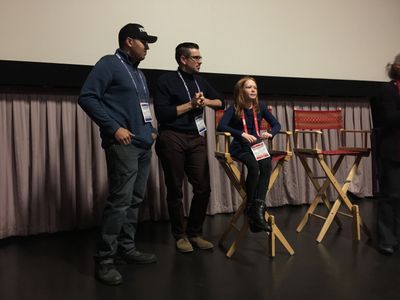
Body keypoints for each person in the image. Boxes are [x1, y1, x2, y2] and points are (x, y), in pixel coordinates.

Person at [78, 23, 158, 285]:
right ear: (128, 41)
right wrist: (114, 128)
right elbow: (88, 97)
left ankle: (126, 248)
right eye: (144, 42)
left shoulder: (139, 73)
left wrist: (151, 129)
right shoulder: (109, 64)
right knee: (120, 200)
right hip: (123, 145)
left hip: (143, 143)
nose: (147, 47)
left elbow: (142, 106)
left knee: (135, 199)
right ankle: (104, 259)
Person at [154, 42, 225, 253]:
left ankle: (195, 233)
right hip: (172, 136)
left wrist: (206, 102)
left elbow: (221, 102)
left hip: (196, 138)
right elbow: (163, 114)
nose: (200, 61)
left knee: (203, 188)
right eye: (196, 58)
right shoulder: (166, 80)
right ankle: (180, 235)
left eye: (200, 57)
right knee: (175, 189)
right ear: (183, 59)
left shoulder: (200, 80)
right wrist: (191, 105)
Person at [217, 76, 281, 232]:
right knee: (253, 166)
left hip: (257, 146)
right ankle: (252, 207)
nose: (253, 90)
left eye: (255, 87)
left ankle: (256, 209)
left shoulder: (260, 107)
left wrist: (270, 133)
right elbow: (221, 126)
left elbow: (277, 124)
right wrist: (241, 134)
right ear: (241, 90)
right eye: (249, 87)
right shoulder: (234, 108)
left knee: (266, 165)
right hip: (240, 147)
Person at [371, 53, 400, 255]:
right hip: (393, 150)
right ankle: (387, 240)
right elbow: (389, 118)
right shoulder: (387, 91)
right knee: (391, 196)